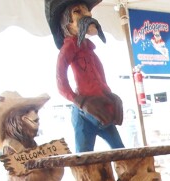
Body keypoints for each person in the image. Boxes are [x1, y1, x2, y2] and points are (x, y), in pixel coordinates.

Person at [47, 0, 125, 152]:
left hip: (102, 111)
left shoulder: (89, 49)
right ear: (68, 24)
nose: (88, 15)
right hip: (85, 113)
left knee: (121, 151)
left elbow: (100, 79)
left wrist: (111, 96)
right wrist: (81, 102)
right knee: (83, 157)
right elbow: (61, 83)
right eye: (78, 12)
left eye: (87, 11)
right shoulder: (68, 48)